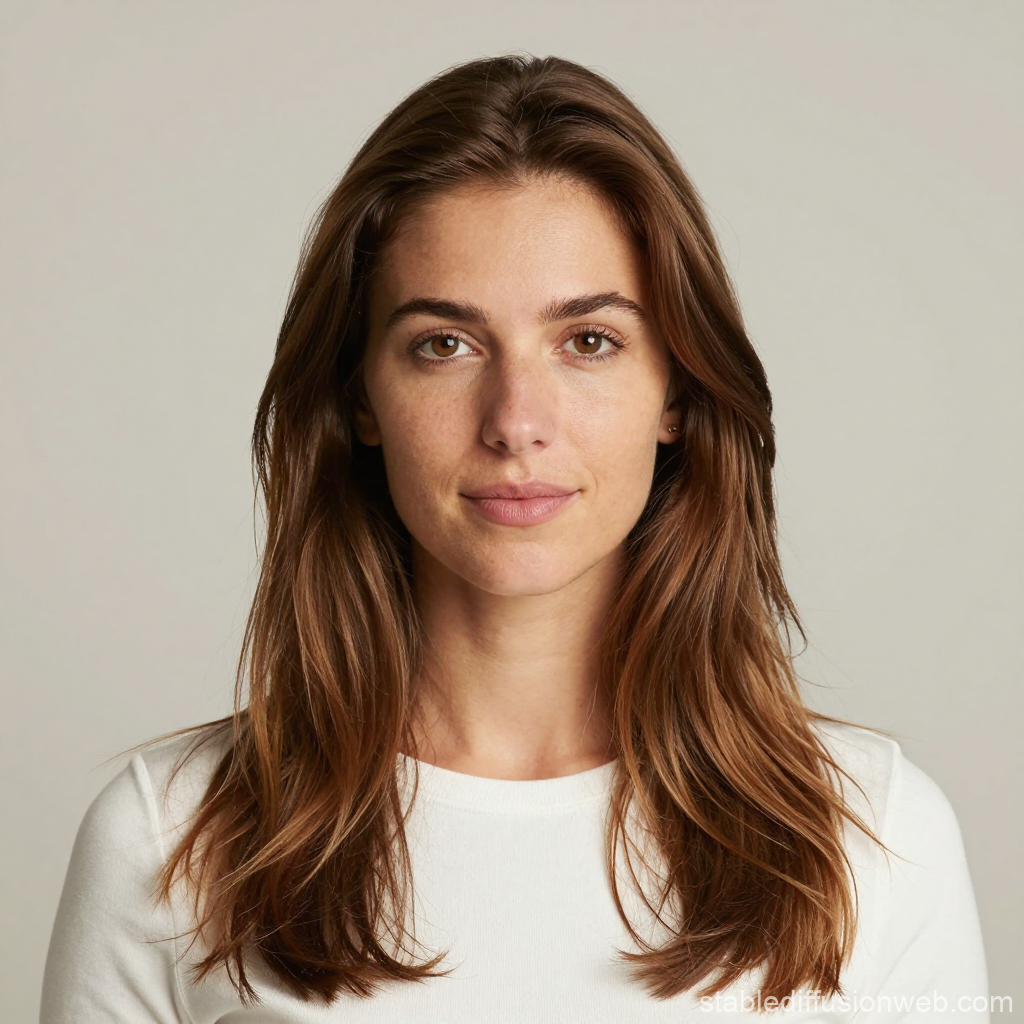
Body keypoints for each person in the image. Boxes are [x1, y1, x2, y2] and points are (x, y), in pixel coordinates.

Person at [40, 55, 989, 1022]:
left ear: (677, 393)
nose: (515, 420)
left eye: (589, 342)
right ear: (361, 397)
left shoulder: (873, 832)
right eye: (443, 344)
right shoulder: (172, 839)